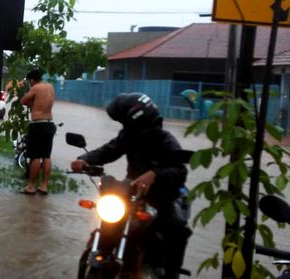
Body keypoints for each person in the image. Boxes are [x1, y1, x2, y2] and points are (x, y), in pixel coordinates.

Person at [70, 93, 191, 278]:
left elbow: (180, 172)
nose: (125, 127)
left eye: (126, 123)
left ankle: (169, 272)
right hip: (131, 188)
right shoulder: (129, 136)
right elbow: (109, 150)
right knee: (109, 221)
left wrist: (155, 175)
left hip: (161, 193)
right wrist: (85, 159)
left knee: (176, 228)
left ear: (137, 120)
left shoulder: (166, 141)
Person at [19, 69, 56, 195]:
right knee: (46, 156)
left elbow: (23, 101)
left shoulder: (35, 88)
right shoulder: (50, 87)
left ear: (32, 80)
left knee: (35, 156)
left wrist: (31, 104)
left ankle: (31, 186)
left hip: (37, 124)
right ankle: (44, 186)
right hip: (49, 123)